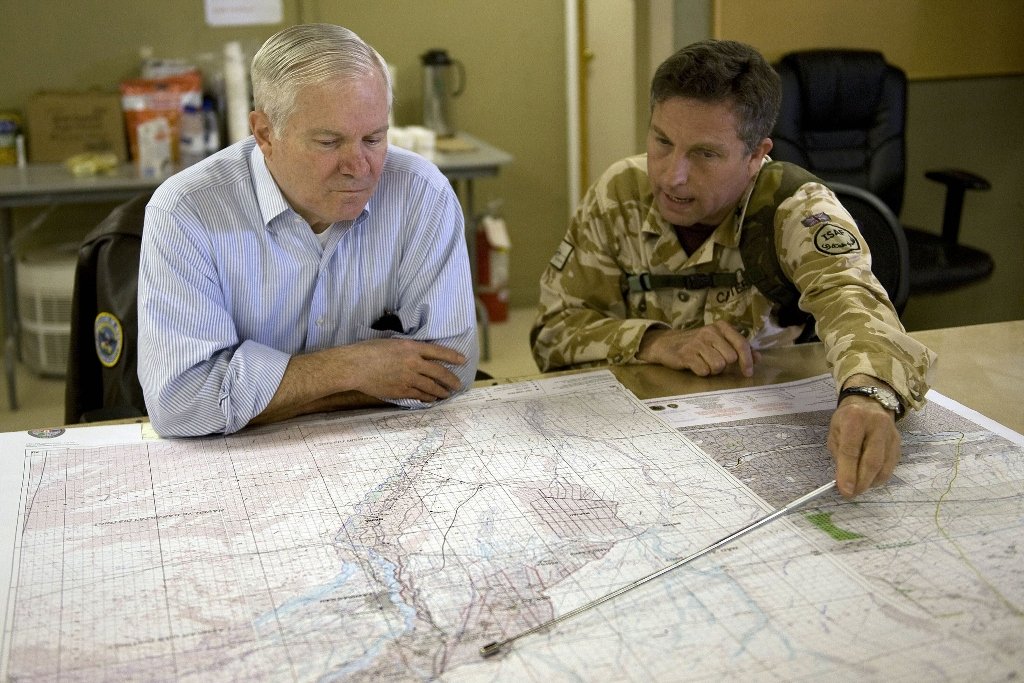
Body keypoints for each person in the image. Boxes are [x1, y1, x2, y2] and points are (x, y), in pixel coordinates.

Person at [531, 39, 935, 500]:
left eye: (705, 154)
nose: (671, 176)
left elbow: (855, 303)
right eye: (662, 141)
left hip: (763, 444)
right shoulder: (620, 193)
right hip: (635, 449)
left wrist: (869, 396)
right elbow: (552, 334)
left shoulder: (794, 208)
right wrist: (657, 341)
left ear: (756, 155)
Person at [138, 24, 478, 437]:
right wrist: (356, 367)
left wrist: (260, 396)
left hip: (378, 444)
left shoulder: (422, 194)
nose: (358, 166)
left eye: (373, 138)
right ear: (264, 133)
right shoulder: (186, 212)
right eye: (328, 143)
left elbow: (450, 368)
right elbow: (182, 403)